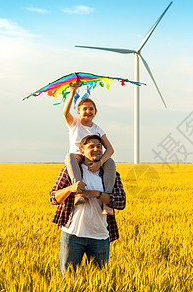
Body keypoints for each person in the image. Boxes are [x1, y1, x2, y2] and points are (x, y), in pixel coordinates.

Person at [49, 134, 126, 274]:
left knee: (99, 281)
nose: (96, 149)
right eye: (91, 147)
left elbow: (121, 202)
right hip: (72, 236)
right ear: (82, 151)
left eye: (99, 147)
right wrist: (71, 189)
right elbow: (53, 198)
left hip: (100, 237)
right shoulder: (69, 171)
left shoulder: (110, 173)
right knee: (68, 279)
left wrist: (97, 194)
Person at [63, 80, 115, 215]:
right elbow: (65, 112)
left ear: (95, 112)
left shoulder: (98, 129)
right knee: (70, 157)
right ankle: (78, 192)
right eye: (84, 109)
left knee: (110, 162)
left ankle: (107, 202)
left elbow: (110, 149)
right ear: (78, 112)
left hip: (94, 158)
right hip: (78, 156)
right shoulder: (75, 123)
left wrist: (100, 163)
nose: (88, 111)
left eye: (91, 109)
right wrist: (72, 92)